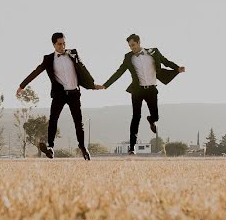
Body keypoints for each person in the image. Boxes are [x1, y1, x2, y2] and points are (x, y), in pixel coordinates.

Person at [97, 34, 185, 155]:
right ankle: (132, 148)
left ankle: (151, 120)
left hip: (152, 89)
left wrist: (177, 67)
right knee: (136, 117)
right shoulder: (128, 57)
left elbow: (166, 62)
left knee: (156, 116)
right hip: (137, 91)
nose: (131, 48)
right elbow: (119, 72)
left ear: (139, 42)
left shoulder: (153, 52)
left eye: (133, 45)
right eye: (129, 46)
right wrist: (105, 85)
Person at [17, 32, 100, 160]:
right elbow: (36, 72)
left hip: (74, 93)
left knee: (78, 123)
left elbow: (83, 69)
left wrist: (92, 85)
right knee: (53, 119)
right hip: (59, 94)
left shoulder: (73, 53)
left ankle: (83, 147)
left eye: (64, 43)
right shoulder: (49, 59)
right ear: (54, 44)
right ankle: (50, 148)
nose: (62, 46)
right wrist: (22, 86)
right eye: (59, 44)